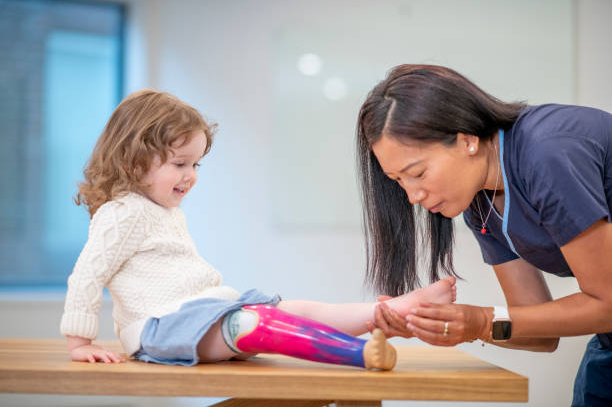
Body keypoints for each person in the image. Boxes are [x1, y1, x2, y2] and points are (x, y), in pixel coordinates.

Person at [60, 89, 457, 371]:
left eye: (196, 165)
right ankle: (358, 353)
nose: (190, 176)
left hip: (204, 316)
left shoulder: (160, 211)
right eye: (180, 164)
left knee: (290, 308)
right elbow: (87, 276)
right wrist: (81, 342)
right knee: (256, 324)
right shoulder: (121, 213)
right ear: (132, 162)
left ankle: (389, 309)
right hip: (163, 331)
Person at [355, 64, 612, 405]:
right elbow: (542, 335)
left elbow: (607, 304)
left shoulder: (548, 154)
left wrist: (480, 321)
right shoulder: (481, 205)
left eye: (417, 173)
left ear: (467, 140)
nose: (412, 196)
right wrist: (451, 327)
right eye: (399, 180)